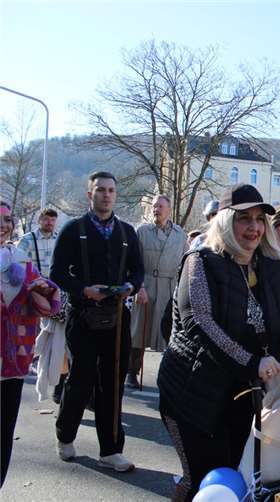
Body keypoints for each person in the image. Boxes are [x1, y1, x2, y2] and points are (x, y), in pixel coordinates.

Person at [156, 183, 280, 500]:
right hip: (192, 392)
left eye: (260, 219)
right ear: (225, 221)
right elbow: (200, 323)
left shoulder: (273, 264)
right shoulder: (201, 261)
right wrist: (251, 362)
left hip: (245, 393)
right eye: (244, 218)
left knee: (241, 476)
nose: (254, 227)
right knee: (203, 479)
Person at [50, 171, 144, 472]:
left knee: (113, 383)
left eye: (111, 190)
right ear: (90, 194)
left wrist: (131, 286)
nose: (106, 195)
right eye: (100, 190)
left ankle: (111, 449)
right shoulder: (73, 229)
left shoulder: (127, 233)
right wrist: (83, 289)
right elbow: (57, 272)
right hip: (83, 315)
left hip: (117, 316)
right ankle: (65, 437)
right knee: (81, 379)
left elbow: (138, 271)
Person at [1, 201, 60, 486]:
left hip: (13, 359)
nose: (3, 225)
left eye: (7, 219)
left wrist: (45, 291)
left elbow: (47, 299)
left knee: (4, 431)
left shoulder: (20, 260)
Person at [126, 195, 187, 388]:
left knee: (169, 334)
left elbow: (185, 264)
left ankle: (169, 375)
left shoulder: (180, 235)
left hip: (169, 289)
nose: (156, 209)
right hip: (146, 286)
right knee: (138, 332)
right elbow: (133, 263)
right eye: (153, 206)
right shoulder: (142, 232)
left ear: (169, 209)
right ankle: (132, 372)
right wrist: (139, 287)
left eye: (160, 206)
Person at [17, 208, 68, 403]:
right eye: (46, 219)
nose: (49, 223)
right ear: (40, 220)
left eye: (52, 220)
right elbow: (19, 263)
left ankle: (42, 359)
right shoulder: (28, 239)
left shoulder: (59, 238)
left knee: (51, 331)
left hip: (55, 291)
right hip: (34, 289)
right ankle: (31, 356)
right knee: (33, 326)